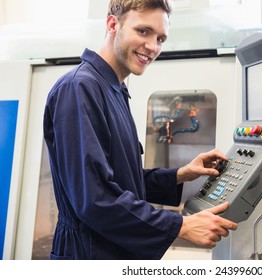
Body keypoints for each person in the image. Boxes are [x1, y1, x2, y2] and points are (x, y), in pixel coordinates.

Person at [43, 0, 237, 260]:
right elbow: (95, 198)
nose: (153, 47)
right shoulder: (79, 88)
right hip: (88, 254)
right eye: (143, 31)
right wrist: (182, 225)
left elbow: (121, 180)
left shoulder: (115, 89)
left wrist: (180, 174)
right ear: (113, 24)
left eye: (161, 38)